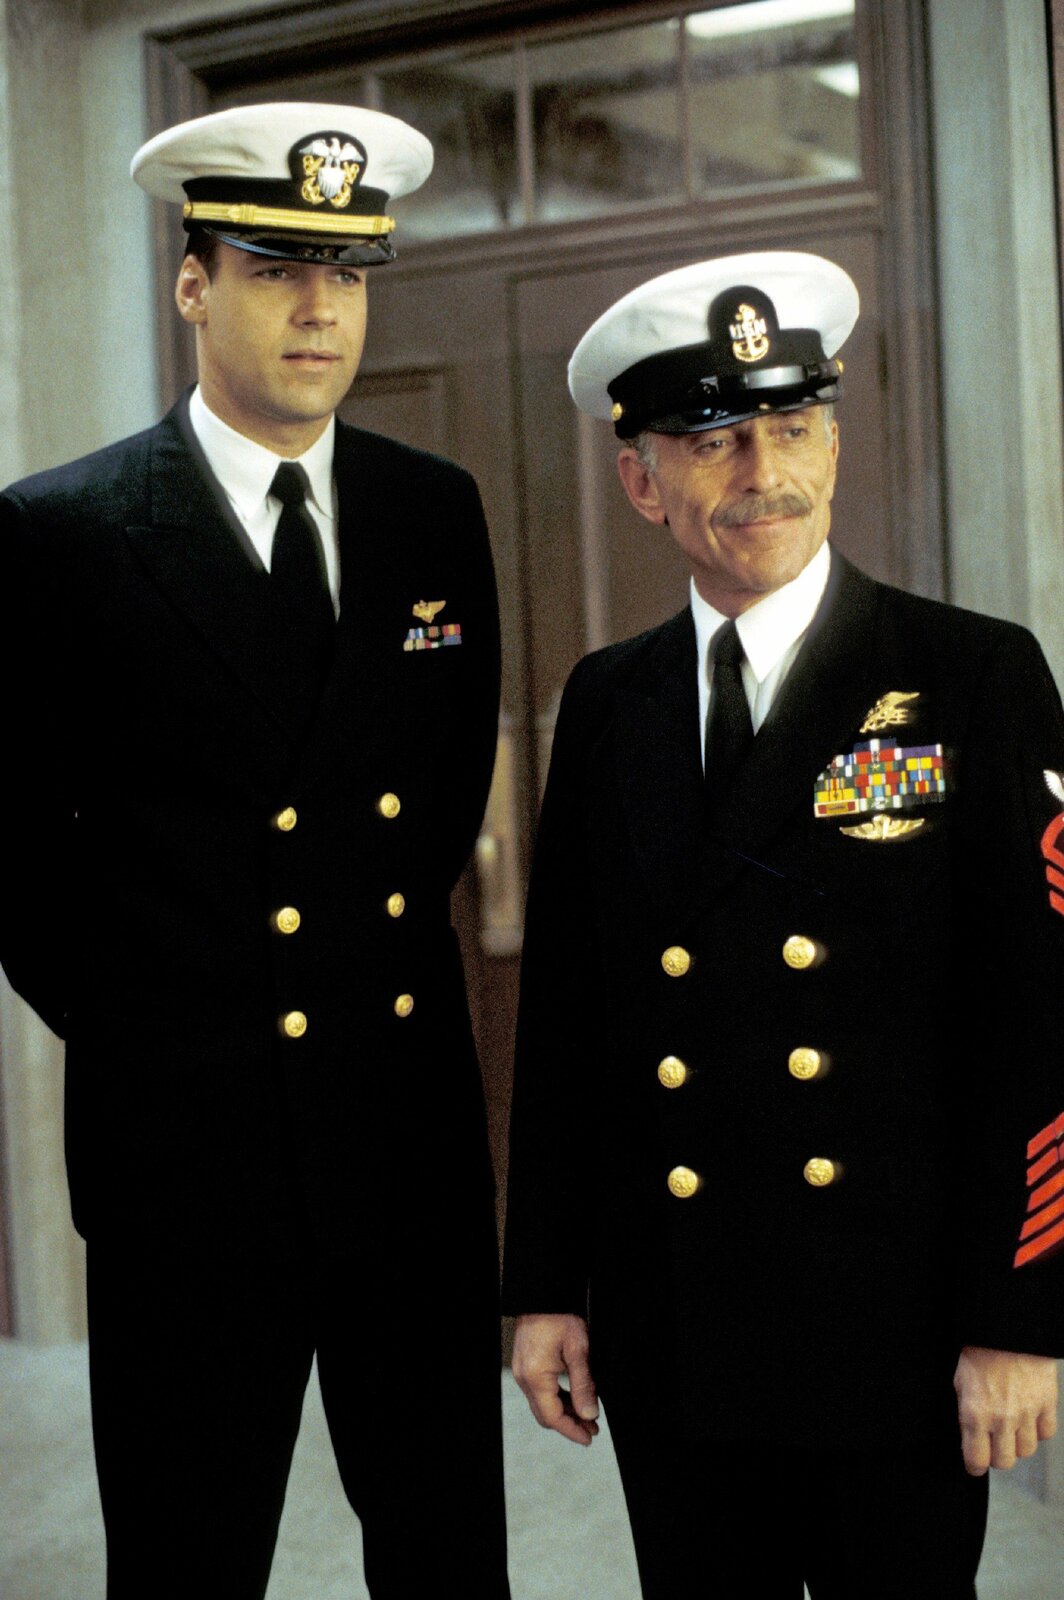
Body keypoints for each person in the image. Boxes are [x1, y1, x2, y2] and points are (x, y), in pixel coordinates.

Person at [0, 102, 510, 1600]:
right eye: (276, 270)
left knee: (446, 1558)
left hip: (404, 1142)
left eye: (345, 275)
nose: (317, 310)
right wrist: (169, 1034)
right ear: (191, 284)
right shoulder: (63, 531)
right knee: (188, 1558)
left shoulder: (433, 511)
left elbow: (440, 789)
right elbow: (18, 857)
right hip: (187, 1161)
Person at [502, 251, 1064, 1598]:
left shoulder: (970, 675)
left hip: (893, 1325)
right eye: (715, 440)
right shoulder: (609, 701)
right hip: (675, 1323)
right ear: (642, 481)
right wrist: (546, 1286)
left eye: (794, 427)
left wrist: (1020, 1316)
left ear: (834, 440)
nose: (767, 473)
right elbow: (569, 1023)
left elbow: (1040, 1016)